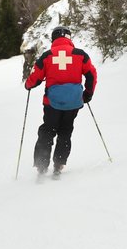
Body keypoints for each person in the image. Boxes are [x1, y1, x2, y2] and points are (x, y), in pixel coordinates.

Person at [24, 26, 97, 177]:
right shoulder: (80, 54)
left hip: (52, 103)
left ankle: (41, 165)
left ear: (53, 39)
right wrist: (87, 94)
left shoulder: (47, 56)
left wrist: (28, 85)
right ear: (69, 38)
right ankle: (59, 163)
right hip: (73, 102)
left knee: (48, 130)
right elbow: (91, 74)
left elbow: (36, 77)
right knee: (65, 130)